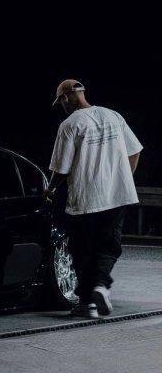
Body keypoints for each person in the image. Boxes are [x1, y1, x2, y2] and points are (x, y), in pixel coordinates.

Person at [46, 79, 142, 318]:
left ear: (67, 97)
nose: (62, 107)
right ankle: (101, 286)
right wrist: (122, 178)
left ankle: (87, 303)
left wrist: (50, 189)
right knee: (108, 246)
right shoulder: (113, 116)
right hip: (118, 196)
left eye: (61, 102)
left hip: (86, 199)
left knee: (82, 249)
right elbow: (135, 150)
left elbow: (62, 168)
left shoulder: (70, 124)